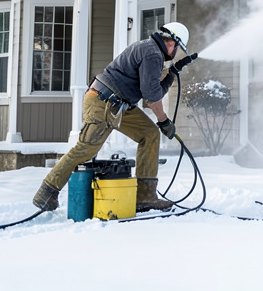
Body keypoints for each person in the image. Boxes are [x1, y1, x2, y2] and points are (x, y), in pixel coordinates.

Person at [32, 22, 197, 213]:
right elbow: (152, 97)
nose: (176, 53)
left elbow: (153, 90)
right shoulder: (152, 54)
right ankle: (47, 191)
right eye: (178, 48)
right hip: (103, 102)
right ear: (172, 43)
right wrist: (164, 121)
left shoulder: (149, 49)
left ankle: (145, 197)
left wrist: (172, 73)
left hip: (120, 104)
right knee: (86, 148)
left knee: (149, 134)